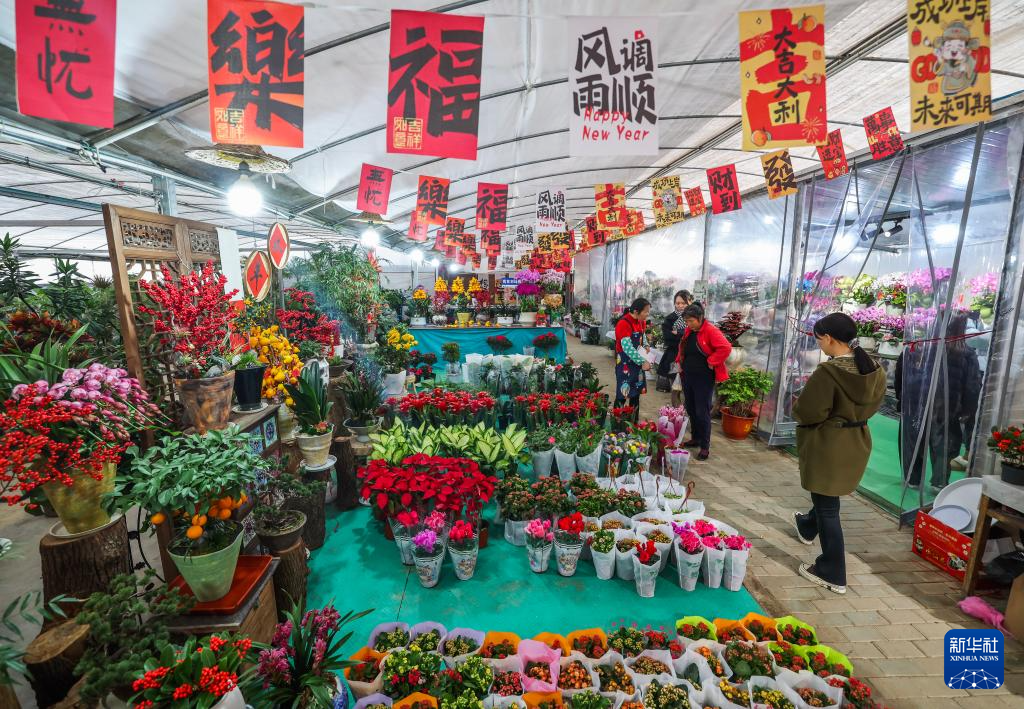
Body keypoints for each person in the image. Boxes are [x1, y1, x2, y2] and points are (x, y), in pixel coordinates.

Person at [792, 312, 886, 594]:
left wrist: (802, 413)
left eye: (819, 339)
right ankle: (807, 526)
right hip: (856, 440)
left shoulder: (829, 372)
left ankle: (832, 571)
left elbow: (808, 411)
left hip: (829, 443)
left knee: (828, 507)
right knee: (827, 496)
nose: (819, 344)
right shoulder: (874, 368)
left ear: (829, 338)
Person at [895, 313, 981, 491]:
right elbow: (972, 386)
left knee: (912, 442)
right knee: (943, 445)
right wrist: (968, 410)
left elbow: (900, 376)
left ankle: (912, 479)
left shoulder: (916, 347)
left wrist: (902, 399)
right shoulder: (966, 353)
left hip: (915, 404)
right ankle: (939, 481)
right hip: (947, 408)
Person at [675, 303, 732, 461]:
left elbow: (726, 347)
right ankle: (696, 438)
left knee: (702, 411)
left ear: (700, 318)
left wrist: (712, 361)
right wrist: (679, 362)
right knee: (691, 408)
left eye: (691, 321)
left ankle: (705, 447)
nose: (689, 324)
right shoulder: (690, 330)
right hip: (688, 375)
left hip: (703, 378)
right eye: (686, 321)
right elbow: (683, 348)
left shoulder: (710, 330)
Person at [614, 298, 653, 418]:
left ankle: (633, 422)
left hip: (636, 364)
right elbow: (627, 348)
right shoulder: (623, 323)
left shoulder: (640, 322)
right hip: (625, 363)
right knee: (623, 394)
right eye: (646, 311)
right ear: (636, 311)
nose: (647, 314)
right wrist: (642, 361)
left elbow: (642, 335)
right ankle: (617, 422)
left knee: (636, 393)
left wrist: (645, 344)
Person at [656, 290, 694, 403]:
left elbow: (694, 335)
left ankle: (688, 410)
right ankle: (676, 411)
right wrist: (685, 334)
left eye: (683, 303)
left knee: (689, 387)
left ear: (689, 302)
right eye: (677, 303)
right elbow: (668, 339)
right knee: (675, 386)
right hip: (674, 357)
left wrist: (679, 332)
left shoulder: (694, 317)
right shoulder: (669, 319)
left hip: (691, 357)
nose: (680, 306)